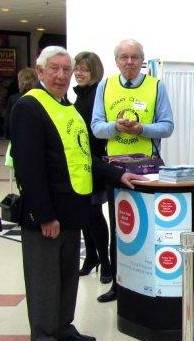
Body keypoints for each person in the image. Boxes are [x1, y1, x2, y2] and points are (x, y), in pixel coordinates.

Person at [9, 46, 144, 341]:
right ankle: (43, 340)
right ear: (40, 72)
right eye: (53, 69)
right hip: (47, 213)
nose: (61, 75)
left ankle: (62, 326)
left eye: (66, 69)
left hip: (72, 209)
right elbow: (29, 167)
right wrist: (43, 214)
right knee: (44, 277)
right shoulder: (29, 107)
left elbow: (84, 156)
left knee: (67, 273)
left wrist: (118, 174)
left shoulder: (67, 108)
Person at [92, 39, 174, 303]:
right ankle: (119, 283)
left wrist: (142, 129)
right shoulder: (105, 86)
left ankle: (149, 281)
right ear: (116, 61)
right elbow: (96, 126)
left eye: (135, 57)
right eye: (124, 57)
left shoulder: (156, 86)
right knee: (121, 226)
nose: (130, 62)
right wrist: (116, 126)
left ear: (142, 60)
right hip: (115, 168)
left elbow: (168, 126)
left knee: (149, 225)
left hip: (147, 168)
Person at [73, 51, 111, 284]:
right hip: (81, 163)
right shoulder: (79, 96)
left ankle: (104, 262)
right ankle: (91, 257)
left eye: (84, 69)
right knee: (85, 212)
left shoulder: (96, 95)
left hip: (94, 162)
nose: (78, 73)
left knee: (94, 213)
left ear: (94, 72)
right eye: (77, 68)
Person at [4, 68, 38, 139]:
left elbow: (8, 121)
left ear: (20, 82)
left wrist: (8, 135)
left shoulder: (13, 99)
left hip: (18, 138)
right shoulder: (41, 97)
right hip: (37, 137)